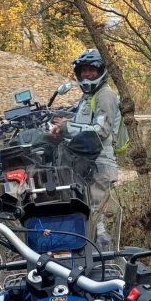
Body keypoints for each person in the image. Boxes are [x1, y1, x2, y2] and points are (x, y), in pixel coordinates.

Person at [50, 48, 121, 251]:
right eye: (83, 71)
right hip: (85, 164)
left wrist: (67, 126)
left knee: (93, 217)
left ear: (100, 71)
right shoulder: (88, 97)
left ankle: (103, 263)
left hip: (99, 164)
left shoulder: (105, 95)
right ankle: (83, 260)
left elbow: (101, 130)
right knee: (84, 214)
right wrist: (61, 127)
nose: (87, 74)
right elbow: (83, 126)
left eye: (91, 70)